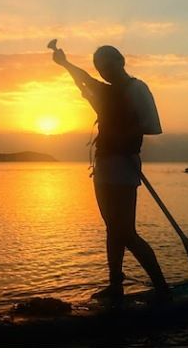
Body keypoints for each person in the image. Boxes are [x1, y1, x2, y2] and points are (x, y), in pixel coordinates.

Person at [52, 44, 170, 301]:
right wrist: (65, 64)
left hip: (124, 164)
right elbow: (84, 80)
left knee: (125, 231)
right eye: (99, 67)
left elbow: (152, 126)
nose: (103, 71)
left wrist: (121, 136)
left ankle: (162, 287)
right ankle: (116, 285)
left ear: (121, 61)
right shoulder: (106, 92)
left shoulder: (137, 88)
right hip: (104, 165)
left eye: (107, 64)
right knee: (112, 229)